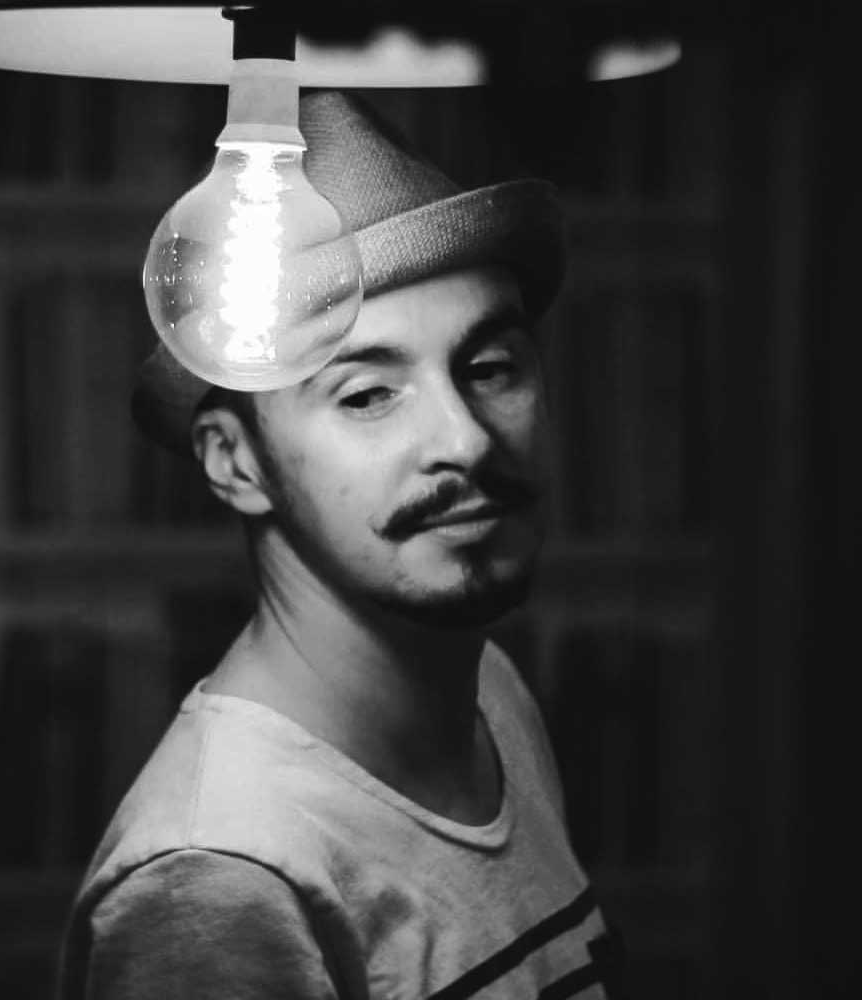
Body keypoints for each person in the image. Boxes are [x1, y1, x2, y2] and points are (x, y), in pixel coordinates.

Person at [57, 90, 624, 1000]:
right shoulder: (220, 875)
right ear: (236, 462)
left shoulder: (489, 694)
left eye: (490, 368)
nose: (467, 439)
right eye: (366, 395)